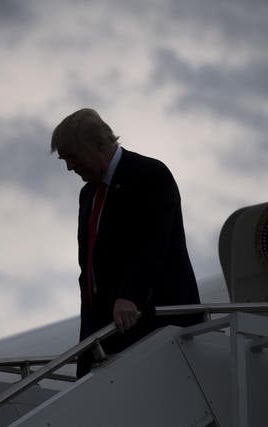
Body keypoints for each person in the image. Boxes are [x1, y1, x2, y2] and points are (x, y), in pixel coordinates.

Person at [51, 108, 202, 377]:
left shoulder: (150, 174)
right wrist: (86, 349)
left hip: (156, 330)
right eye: (64, 159)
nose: (70, 167)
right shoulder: (88, 195)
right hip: (108, 338)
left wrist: (130, 295)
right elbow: (89, 276)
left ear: (99, 144)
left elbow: (154, 244)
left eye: (72, 156)